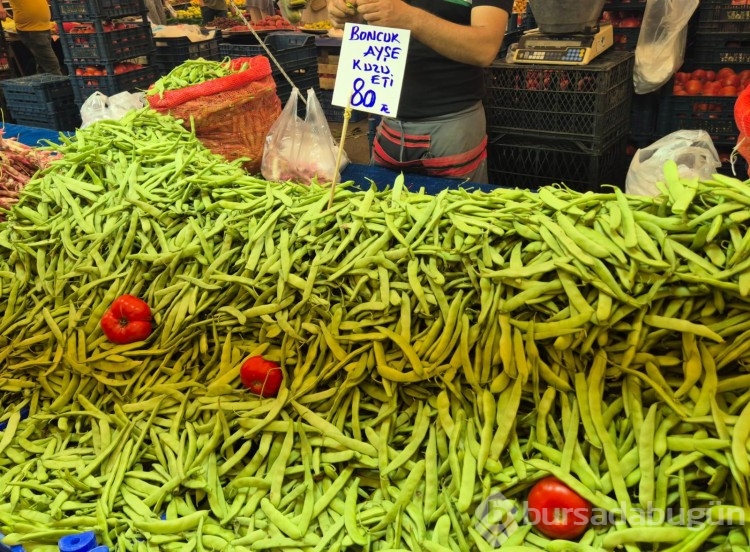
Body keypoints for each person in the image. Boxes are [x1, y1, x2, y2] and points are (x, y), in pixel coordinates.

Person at [328, 0, 512, 183]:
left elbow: (484, 48)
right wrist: (349, 13)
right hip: (388, 121)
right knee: (383, 206)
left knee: (456, 208)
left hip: (450, 129)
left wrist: (410, 17)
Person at [0, 0, 63, 75]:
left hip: (44, 26)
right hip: (31, 28)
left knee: (43, 64)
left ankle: (45, 84)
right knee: (51, 64)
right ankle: (60, 85)